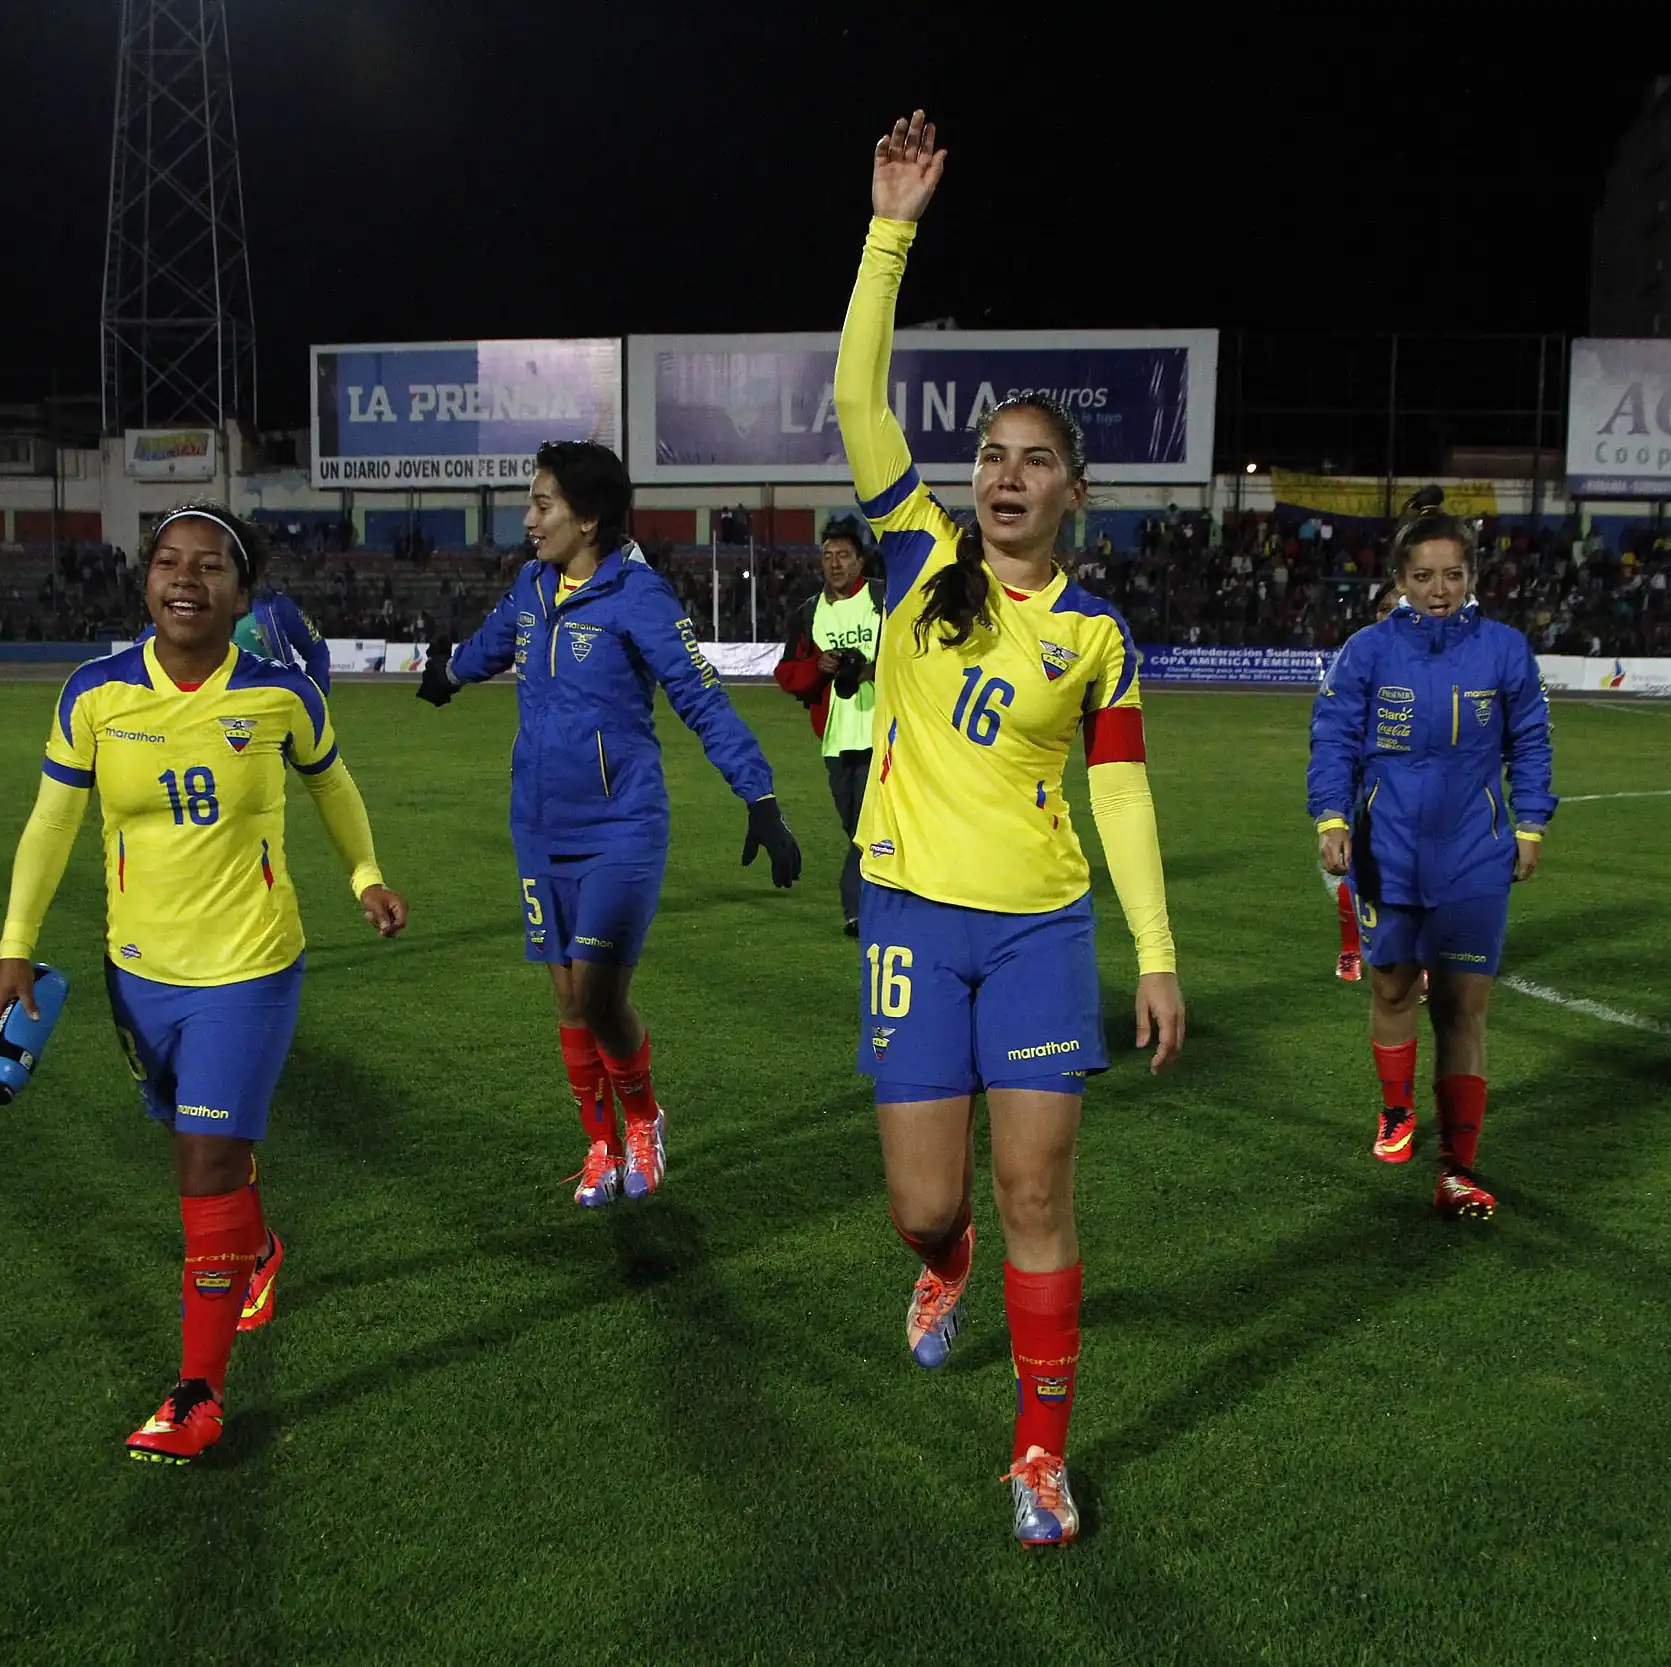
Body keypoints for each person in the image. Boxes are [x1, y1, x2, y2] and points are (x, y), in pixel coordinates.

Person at [835, 112, 1185, 1548]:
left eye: (1034, 458)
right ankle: (945, 1259)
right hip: (911, 917)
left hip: (1040, 931)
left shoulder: (1098, 632)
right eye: (990, 452)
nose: (1004, 471)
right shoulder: (917, 559)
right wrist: (891, 227)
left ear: (1073, 490)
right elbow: (859, 399)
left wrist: (1154, 951)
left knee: (1041, 1185)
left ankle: (1040, 1452)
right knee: (930, 1201)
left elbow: (1118, 790)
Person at [0, 502, 408, 1465]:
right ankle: (253, 1251)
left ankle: (197, 1394)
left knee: (206, 1163)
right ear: (146, 580)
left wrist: (365, 875)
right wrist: (15, 947)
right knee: (187, 1141)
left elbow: (330, 779)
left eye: (210, 566)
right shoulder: (95, 694)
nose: (187, 579)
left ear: (241, 591)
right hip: (137, 973)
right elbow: (50, 827)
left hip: (250, 965)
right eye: (169, 562)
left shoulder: (277, 695)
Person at [417, 440, 801, 1209]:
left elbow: (702, 697)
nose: (529, 520)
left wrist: (760, 798)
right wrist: (447, 673)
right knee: (565, 1001)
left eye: (543, 504)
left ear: (587, 518)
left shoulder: (640, 597)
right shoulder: (532, 586)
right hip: (537, 825)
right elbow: (492, 647)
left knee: (596, 997)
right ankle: (600, 1145)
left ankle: (645, 1121)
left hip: (621, 825)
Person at [1309, 507, 1552, 1216]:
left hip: (1475, 855)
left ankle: (1458, 1165)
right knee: (1391, 990)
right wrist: (1331, 817)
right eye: (1422, 575)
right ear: (1399, 578)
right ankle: (1396, 1111)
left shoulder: (1504, 650)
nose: (1438, 589)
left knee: (1461, 1007)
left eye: (1451, 574)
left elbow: (1531, 741)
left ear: (1472, 576)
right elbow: (1333, 739)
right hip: (1388, 852)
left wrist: (1530, 822)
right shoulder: (1368, 651)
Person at [772, 517, 883, 935]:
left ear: (860, 561)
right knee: (858, 829)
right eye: (828, 556)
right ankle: (884, 901)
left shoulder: (881, 599)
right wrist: (817, 667)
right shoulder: (809, 614)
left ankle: (856, 909)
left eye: (843, 556)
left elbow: (913, 653)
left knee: (869, 828)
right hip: (837, 741)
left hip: (885, 735)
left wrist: (872, 669)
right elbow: (786, 674)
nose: (835, 564)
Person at [1320, 581, 1407, 982]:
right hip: (1362, 783)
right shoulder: (1360, 657)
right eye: (1385, 610)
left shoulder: (1429, 664)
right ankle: (1351, 949)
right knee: (1352, 867)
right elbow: (1334, 727)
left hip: (1410, 786)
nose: (1391, 618)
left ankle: (1413, 960)